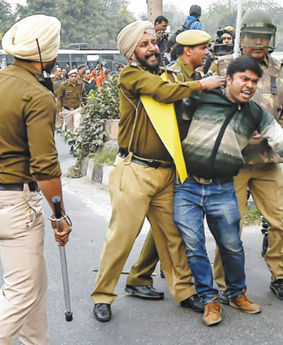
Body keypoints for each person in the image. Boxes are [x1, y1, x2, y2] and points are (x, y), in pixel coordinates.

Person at [177, 55, 283, 326]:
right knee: (194, 247)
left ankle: (237, 293)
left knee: (232, 247)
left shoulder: (254, 113)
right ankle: (209, 300)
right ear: (228, 79)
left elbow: (282, 143)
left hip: (223, 188)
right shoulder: (202, 98)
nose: (249, 85)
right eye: (244, 79)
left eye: (254, 81)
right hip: (187, 187)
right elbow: (176, 120)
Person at [90, 20, 225, 322]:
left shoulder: (165, 75)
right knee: (121, 239)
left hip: (166, 173)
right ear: (130, 52)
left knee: (173, 238)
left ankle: (184, 291)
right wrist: (201, 84)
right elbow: (162, 92)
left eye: (153, 42)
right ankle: (102, 296)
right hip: (135, 171)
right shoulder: (131, 76)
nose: (152, 48)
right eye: (144, 44)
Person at [0, 15, 72, 344]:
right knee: (20, 294)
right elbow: (46, 169)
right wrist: (60, 217)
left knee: (34, 287)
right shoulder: (38, 96)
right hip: (16, 204)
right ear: (47, 54)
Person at [211, 9, 283, 302]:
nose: (258, 42)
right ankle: (225, 283)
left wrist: (275, 131)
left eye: (264, 37)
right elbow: (209, 107)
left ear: (272, 40)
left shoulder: (281, 71)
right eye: (252, 36)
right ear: (242, 38)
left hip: (267, 163)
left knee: (279, 221)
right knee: (229, 226)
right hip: (232, 163)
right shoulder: (221, 67)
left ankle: (279, 276)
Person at [125, 29, 212, 303]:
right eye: (203, 48)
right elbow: (174, 112)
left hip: (184, 160)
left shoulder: (193, 76)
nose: (207, 52)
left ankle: (145, 276)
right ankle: (144, 277)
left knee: (169, 223)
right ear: (188, 51)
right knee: (169, 224)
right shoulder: (172, 76)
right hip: (171, 159)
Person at [56, 69, 84, 135]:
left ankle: (76, 142)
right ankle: (73, 143)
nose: (74, 78)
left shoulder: (81, 85)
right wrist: (60, 111)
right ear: (69, 77)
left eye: (75, 76)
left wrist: (86, 106)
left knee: (77, 125)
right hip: (67, 110)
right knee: (69, 130)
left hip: (77, 109)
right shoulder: (64, 85)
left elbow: (84, 96)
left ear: (77, 77)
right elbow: (59, 98)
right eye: (72, 76)